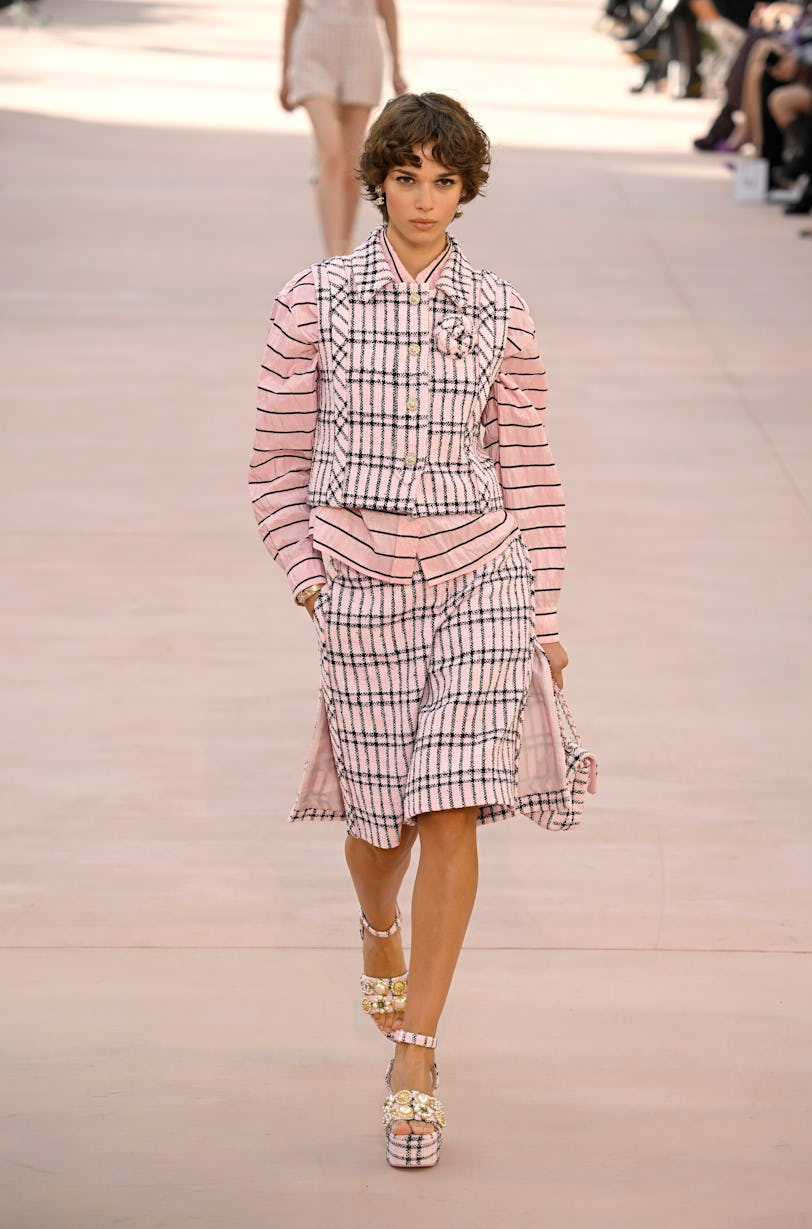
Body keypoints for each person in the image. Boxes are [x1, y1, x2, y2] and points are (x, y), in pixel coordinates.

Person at [250, 92, 570, 1169]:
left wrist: (546, 611)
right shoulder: (316, 300)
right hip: (360, 582)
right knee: (380, 822)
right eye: (407, 177)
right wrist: (309, 582)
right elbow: (274, 466)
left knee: (451, 810)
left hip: (482, 570)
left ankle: (418, 1054)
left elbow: (527, 466)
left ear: (467, 189)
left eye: (445, 179)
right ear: (376, 180)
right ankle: (377, 930)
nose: (425, 198)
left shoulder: (502, 310)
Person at [279, 0, 406, 256]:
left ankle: (343, 247)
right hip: (314, 49)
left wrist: (396, 66)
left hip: (362, 48)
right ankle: (332, 256)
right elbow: (293, 10)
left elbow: (387, 7)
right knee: (331, 153)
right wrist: (285, 74)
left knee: (351, 164)